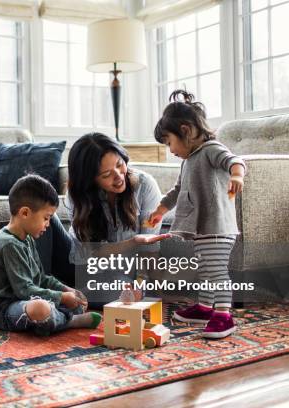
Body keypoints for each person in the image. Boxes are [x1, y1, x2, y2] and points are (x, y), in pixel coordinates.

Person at [147, 89, 246, 339]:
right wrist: (161, 209)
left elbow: (235, 161)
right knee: (205, 269)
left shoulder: (212, 149)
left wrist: (236, 175)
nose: (170, 149)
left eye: (170, 141)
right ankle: (204, 307)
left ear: (187, 131)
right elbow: (177, 189)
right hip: (202, 228)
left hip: (218, 227)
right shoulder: (188, 160)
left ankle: (224, 314)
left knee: (216, 271)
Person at [0, 174, 102, 336]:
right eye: (46, 218)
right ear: (25, 213)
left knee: (75, 302)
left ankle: (60, 317)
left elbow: (41, 278)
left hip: (22, 299)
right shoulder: (9, 243)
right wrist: (62, 297)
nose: (48, 224)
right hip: (3, 310)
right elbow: (24, 290)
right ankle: (70, 321)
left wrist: (66, 289)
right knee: (41, 309)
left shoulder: (26, 238)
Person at [64, 133, 172, 306]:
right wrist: (134, 242)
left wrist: (159, 293)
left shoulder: (145, 186)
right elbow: (92, 252)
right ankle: (57, 293)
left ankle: (64, 296)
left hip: (117, 277)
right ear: (89, 180)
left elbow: (150, 249)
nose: (119, 177)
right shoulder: (77, 195)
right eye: (106, 175)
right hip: (79, 266)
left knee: (117, 291)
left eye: (119, 164)